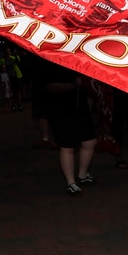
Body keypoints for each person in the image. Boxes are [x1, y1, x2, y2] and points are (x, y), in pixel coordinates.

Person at [37, 60, 97, 195]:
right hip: (61, 111)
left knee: (90, 142)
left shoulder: (78, 61)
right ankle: (71, 183)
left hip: (81, 109)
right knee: (67, 146)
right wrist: (73, 85)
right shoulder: (50, 63)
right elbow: (49, 87)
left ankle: (82, 175)